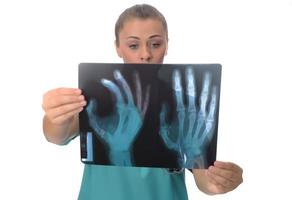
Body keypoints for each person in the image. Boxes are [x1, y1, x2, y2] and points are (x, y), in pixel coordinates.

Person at [42, 4, 243, 200]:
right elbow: (57, 136)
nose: (145, 54)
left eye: (155, 44)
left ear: (166, 45)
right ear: (118, 48)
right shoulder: (96, 94)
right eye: (133, 45)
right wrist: (56, 117)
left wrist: (218, 181)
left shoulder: (187, 106)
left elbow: (203, 179)